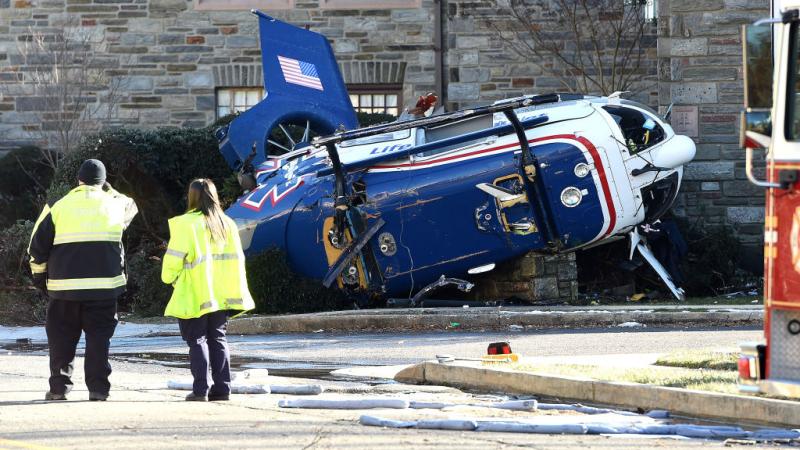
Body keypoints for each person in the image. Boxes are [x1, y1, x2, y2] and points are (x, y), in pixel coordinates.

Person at [28, 159, 138, 401]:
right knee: (99, 339)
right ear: (103, 182)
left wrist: (39, 278)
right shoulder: (116, 205)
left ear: (78, 180)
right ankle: (98, 389)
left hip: (64, 289)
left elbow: (36, 248)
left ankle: (59, 389)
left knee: (61, 339)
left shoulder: (57, 206)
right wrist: (109, 190)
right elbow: (131, 205)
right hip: (104, 288)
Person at [161, 178, 255, 402]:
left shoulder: (186, 224)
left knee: (197, 340)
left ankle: (200, 390)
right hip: (222, 294)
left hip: (195, 292)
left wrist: (169, 278)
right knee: (218, 339)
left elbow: (172, 262)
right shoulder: (228, 224)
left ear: (191, 197)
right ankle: (223, 389)